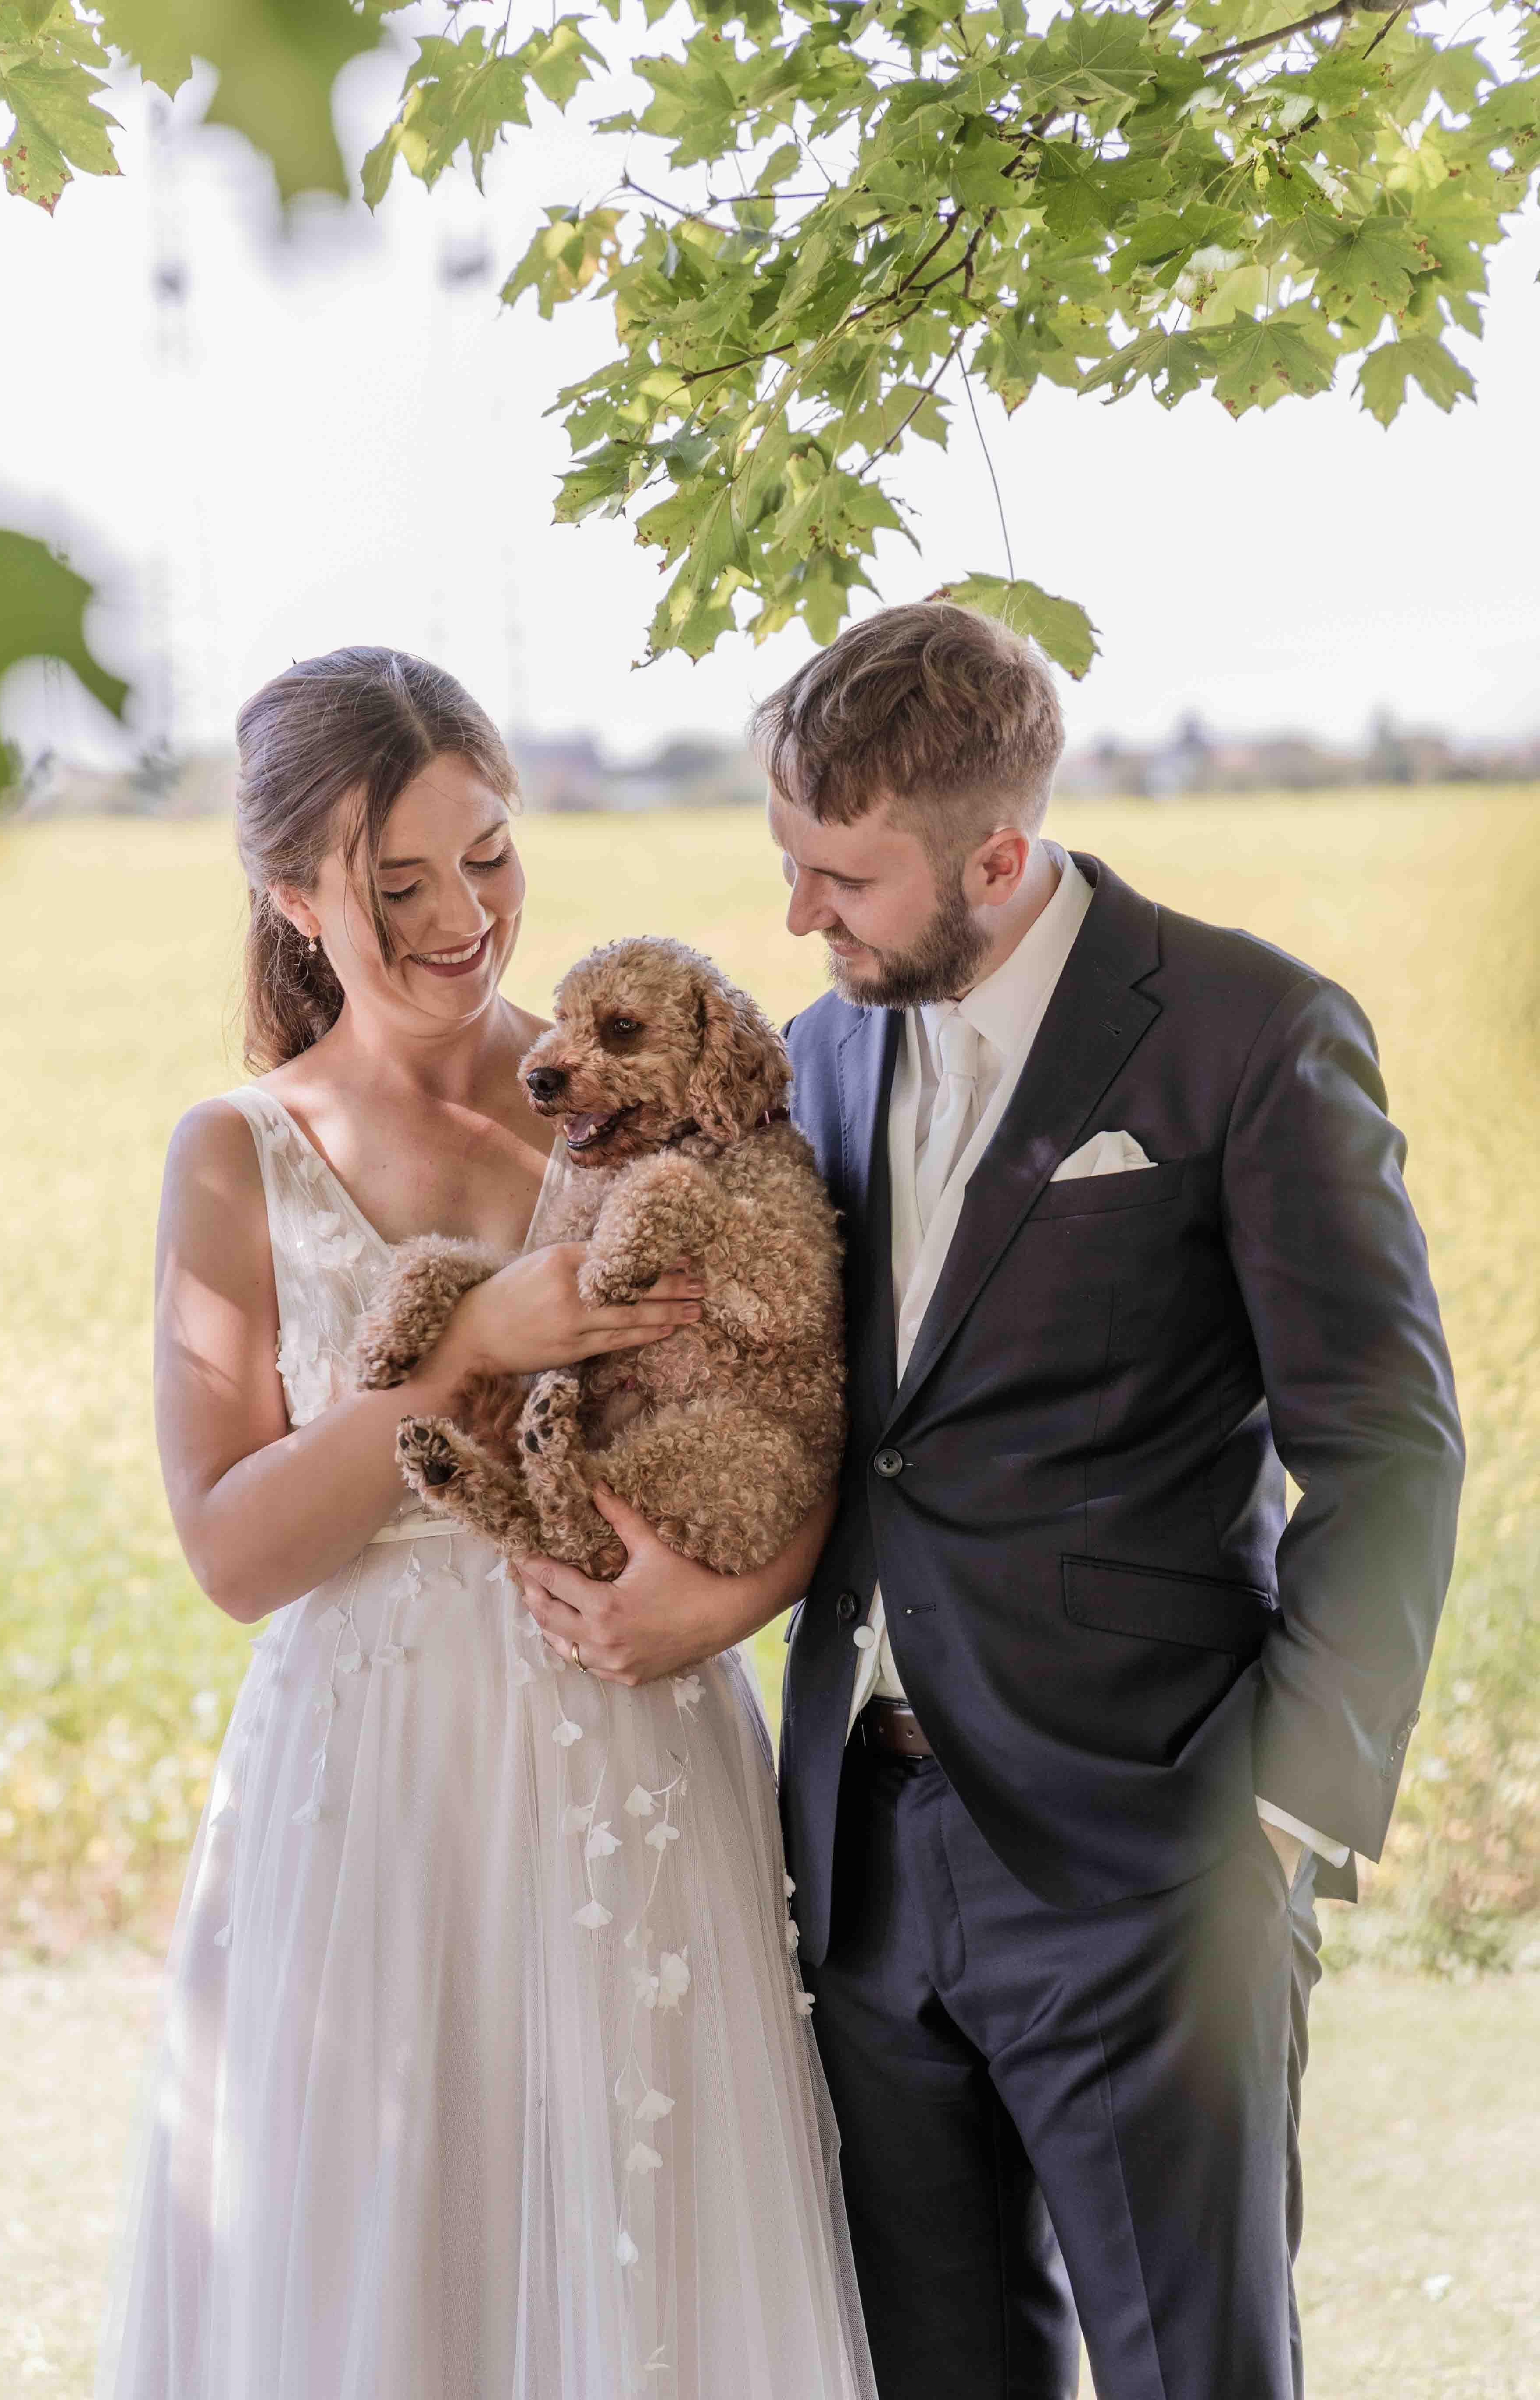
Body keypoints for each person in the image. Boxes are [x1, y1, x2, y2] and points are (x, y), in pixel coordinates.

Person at [525, 602, 1464, 2400]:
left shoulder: (1248, 1037)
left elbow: (1388, 1446)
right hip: (861, 1871)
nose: (800, 913)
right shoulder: (815, 1050)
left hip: (1152, 1862)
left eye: (844, 877)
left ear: (1002, 855)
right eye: (786, 862)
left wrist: (1281, 1823)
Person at [99, 647, 876, 2400]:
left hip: (634, 1752)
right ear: (295, 899)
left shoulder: (646, 1096)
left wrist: (724, 1598)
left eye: (492, 853)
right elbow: (232, 1554)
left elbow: (799, 1418)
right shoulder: (235, 1155)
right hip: (375, 1796)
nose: (467, 917)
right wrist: (466, 1353)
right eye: (399, 887)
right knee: (393, 2267)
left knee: (640, 2258)